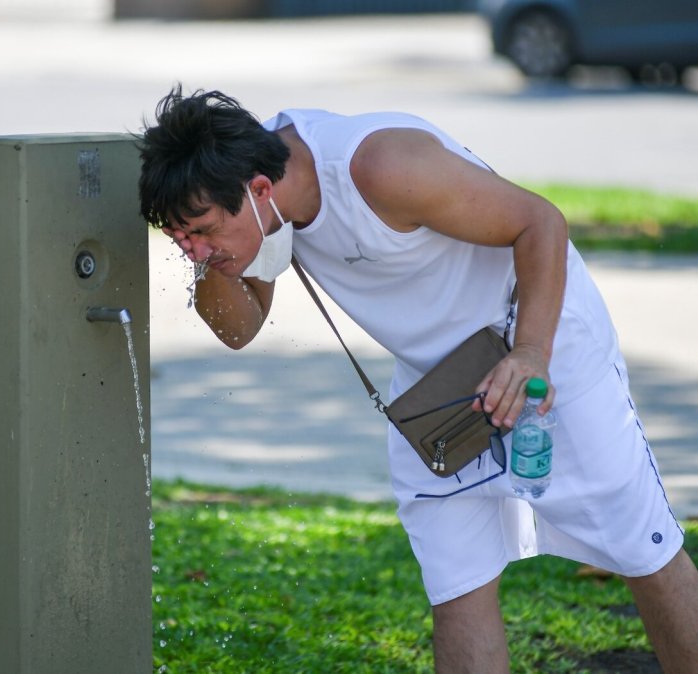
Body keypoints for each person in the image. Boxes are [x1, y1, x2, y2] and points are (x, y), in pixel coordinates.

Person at [138, 86, 698, 672]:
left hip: (542, 343)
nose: (194, 249)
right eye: (180, 238)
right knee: (456, 584)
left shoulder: (382, 167)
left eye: (201, 231)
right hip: (436, 385)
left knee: (642, 551)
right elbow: (239, 328)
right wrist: (208, 255)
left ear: (258, 191)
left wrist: (531, 352)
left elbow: (541, 222)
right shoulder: (264, 203)